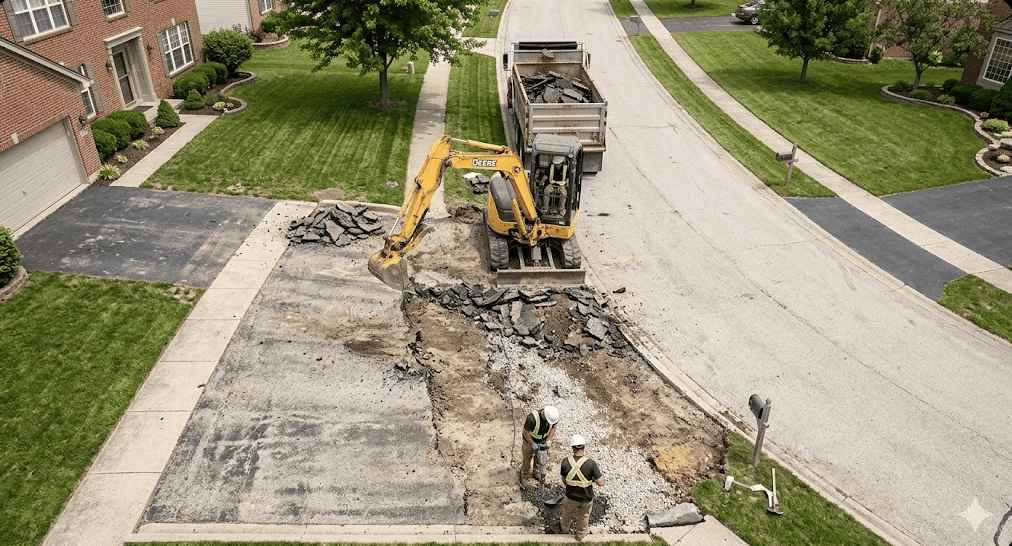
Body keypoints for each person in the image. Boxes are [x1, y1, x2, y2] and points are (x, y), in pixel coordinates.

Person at [559, 434, 605, 541]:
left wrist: (572, 485)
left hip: (570, 496)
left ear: (572, 447)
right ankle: (580, 535)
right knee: (584, 516)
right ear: (584, 446)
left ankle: (564, 529)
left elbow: (564, 480)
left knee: (567, 513)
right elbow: (601, 483)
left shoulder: (565, 461)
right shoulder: (591, 464)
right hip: (586, 497)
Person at [520, 405, 560, 485]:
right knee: (527, 458)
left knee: (540, 458)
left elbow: (553, 428)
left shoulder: (553, 417)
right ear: (544, 416)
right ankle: (524, 475)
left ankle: (536, 473)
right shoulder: (532, 418)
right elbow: (525, 432)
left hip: (542, 440)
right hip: (529, 440)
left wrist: (549, 439)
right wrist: (532, 443)